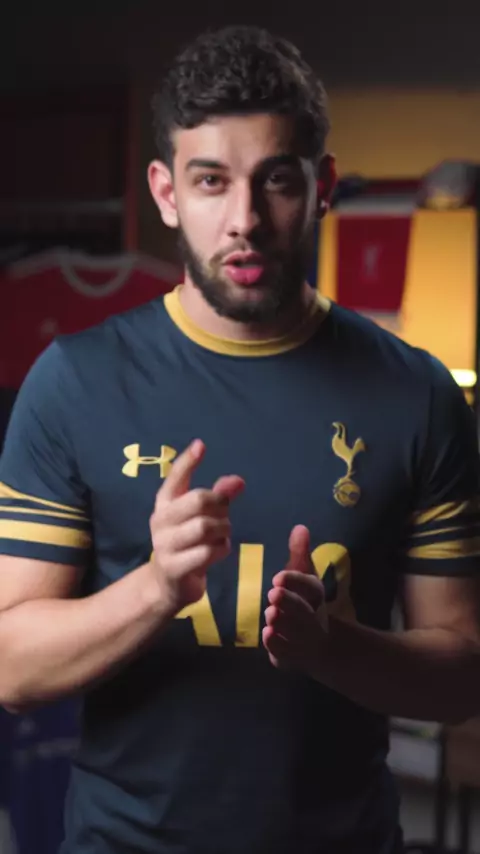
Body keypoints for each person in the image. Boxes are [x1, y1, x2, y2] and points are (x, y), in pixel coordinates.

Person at [0, 25, 479, 854]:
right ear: (166, 192)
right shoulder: (75, 382)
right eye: (211, 181)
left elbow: (463, 675)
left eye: (276, 180)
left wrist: (332, 648)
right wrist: (156, 588)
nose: (245, 220)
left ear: (322, 187)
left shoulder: (419, 395)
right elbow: (11, 668)